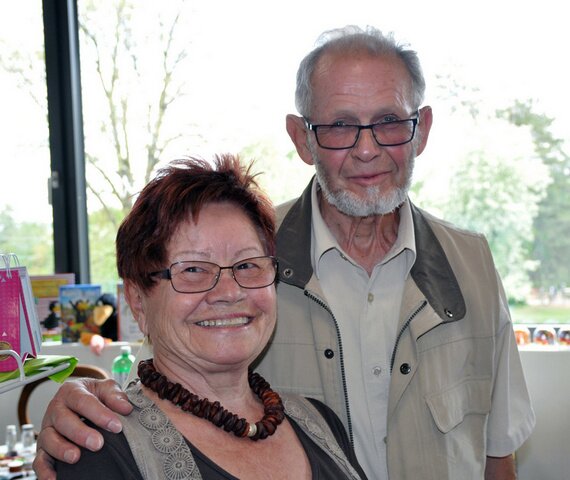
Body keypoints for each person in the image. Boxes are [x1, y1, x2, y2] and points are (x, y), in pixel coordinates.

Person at [34, 26, 535, 480]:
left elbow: (498, 456)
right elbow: (167, 379)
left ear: (421, 129)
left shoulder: (471, 264)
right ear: (302, 138)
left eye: (388, 121)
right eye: (339, 126)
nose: (367, 149)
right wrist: (82, 402)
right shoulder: (249, 252)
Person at [51, 154, 367, 480]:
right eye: (193, 270)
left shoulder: (321, 424)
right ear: (138, 302)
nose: (229, 292)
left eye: (247, 265)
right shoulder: (99, 448)